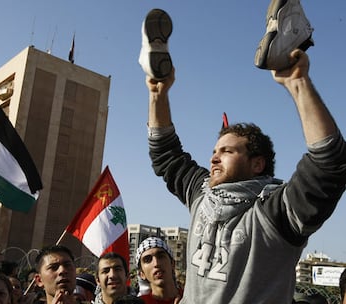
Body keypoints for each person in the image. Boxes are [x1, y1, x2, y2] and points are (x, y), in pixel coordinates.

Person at [140, 7, 346, 304]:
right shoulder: (202, 195)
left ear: (257, 163)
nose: (213, 158)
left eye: (226, 151)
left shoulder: (275, 215)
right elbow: (166, 155)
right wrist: (158, 94)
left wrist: (297, 82)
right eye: (213, 151)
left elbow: (329, 165)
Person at [135, 237, 182, 304]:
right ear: (141, 274)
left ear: (172, 263)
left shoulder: (191, 297)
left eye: (161, 256)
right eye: (147, 260)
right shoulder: (140, 303)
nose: (156, 263)